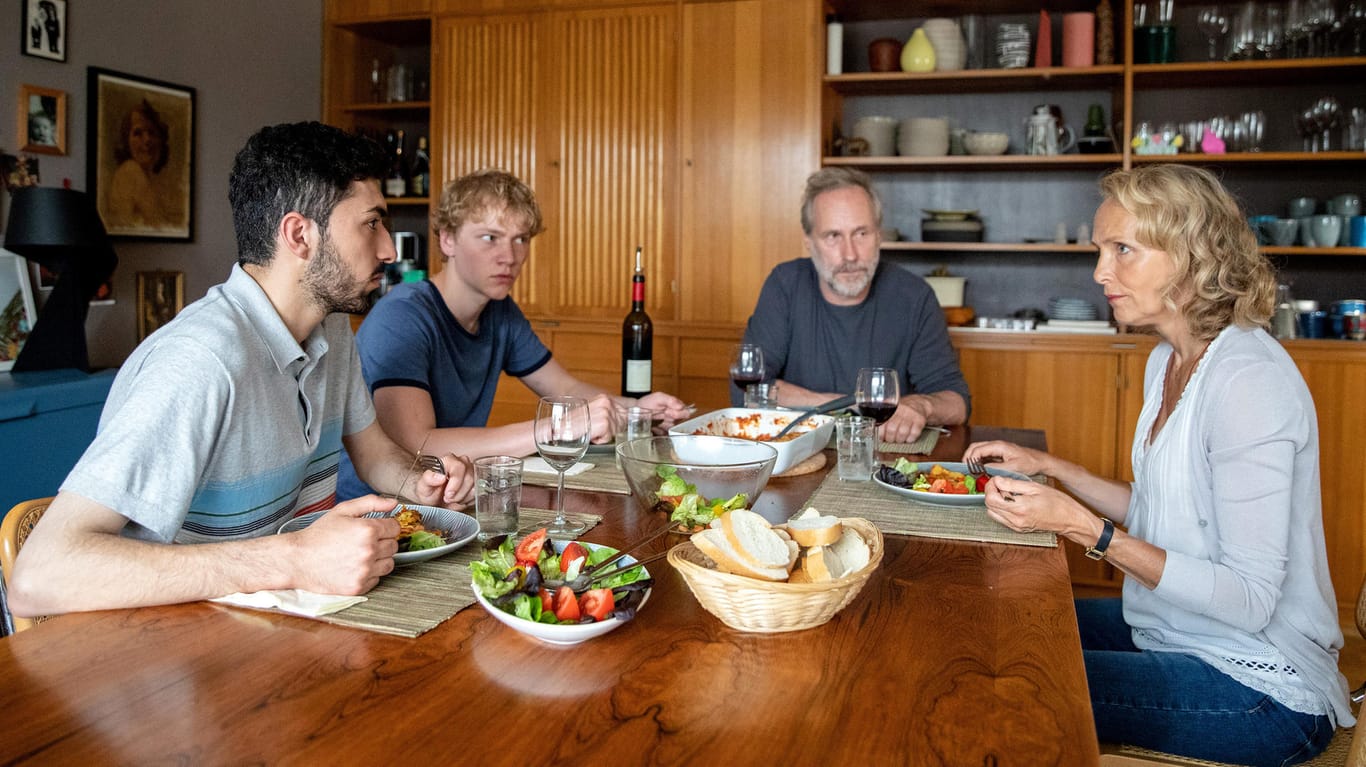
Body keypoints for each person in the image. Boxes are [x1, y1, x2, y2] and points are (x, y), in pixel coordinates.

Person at [6, 121, 476, 620]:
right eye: (371, 224)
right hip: (169, 649)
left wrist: (422, 482)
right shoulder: (198, 362)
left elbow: (375, 451)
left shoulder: (333, 330)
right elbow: (40, 577)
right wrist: (293, 559)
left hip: (280, 627)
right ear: (300, 234)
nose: (388, 249)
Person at [963, 165, 1352, 766]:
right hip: (1173, 629)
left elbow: (1249, 599)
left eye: (1124, 250)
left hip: (1261, 690)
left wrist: (1082, 528)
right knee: (1003, 619)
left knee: (1011, 675)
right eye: (1100, 250)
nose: (1099, 272)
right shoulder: (1167, 359)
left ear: (1192, 258)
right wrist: (1053, 466)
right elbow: (1160, 509)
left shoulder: (1248, 380)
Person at [337, 169, 691, 500]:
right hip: (381, 509)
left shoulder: (500, 312)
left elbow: (564, 389)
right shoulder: (403, 315)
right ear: (447, 240)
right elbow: (416, 444)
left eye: (520, 239)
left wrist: (635, 410)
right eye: (490, 238)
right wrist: (551, 428)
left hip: (453, 498)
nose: (509, 256)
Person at [737, 166, 969, 443]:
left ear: (879, 235)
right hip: (799, 455)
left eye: (861, 233)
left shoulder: (915, 296)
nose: (850, 254)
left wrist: (921, 406)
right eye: (833, 236)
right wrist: (849, 405)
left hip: (884, 460)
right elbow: (748, 391)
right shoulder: (784, 285)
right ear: (809, 242)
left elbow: (957, 402)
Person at [106, 99, 173, 229]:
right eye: (138, 133)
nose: (147, 140)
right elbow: (158, 225)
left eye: (152, 133)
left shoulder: (154, 180)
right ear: (126, 140)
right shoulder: (130, 171)